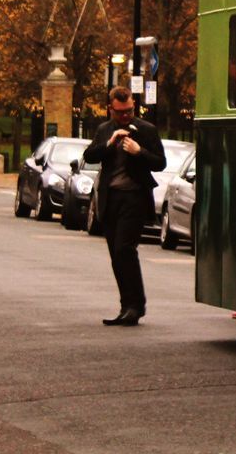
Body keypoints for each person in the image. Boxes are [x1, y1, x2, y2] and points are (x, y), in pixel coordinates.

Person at [83, 85, 166, 326]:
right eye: (120, 112)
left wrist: (139, 152)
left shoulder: (146, 130)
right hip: (112, 198)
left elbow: (160, 163)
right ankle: (125, 305)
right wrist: (109, 144)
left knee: (124, 250)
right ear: (111, 110)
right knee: (116, 255)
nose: (126, 116)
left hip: (135, 198)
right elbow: (89, 156)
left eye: (130, 110)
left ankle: (136, 306)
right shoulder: (104, 130)